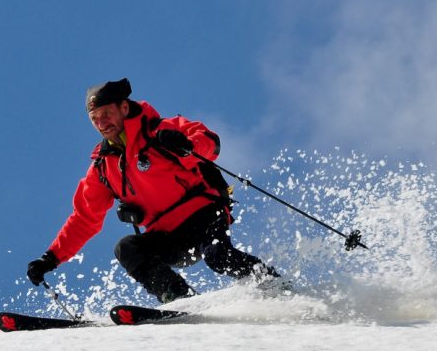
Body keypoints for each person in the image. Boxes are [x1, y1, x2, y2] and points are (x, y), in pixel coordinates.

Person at [26, 78, 277, 303]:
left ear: (124, 108)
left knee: (218, 257)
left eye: (107, 114)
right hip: (168, 236)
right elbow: (84, 218)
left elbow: (209, 142)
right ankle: (179, 298)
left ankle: (275, 285)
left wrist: (187, 144)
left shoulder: (159, 131)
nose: (102, 123)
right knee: (127, 248)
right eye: (95, 119)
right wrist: (51, 258)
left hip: (203, 213)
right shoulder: (103, 167)